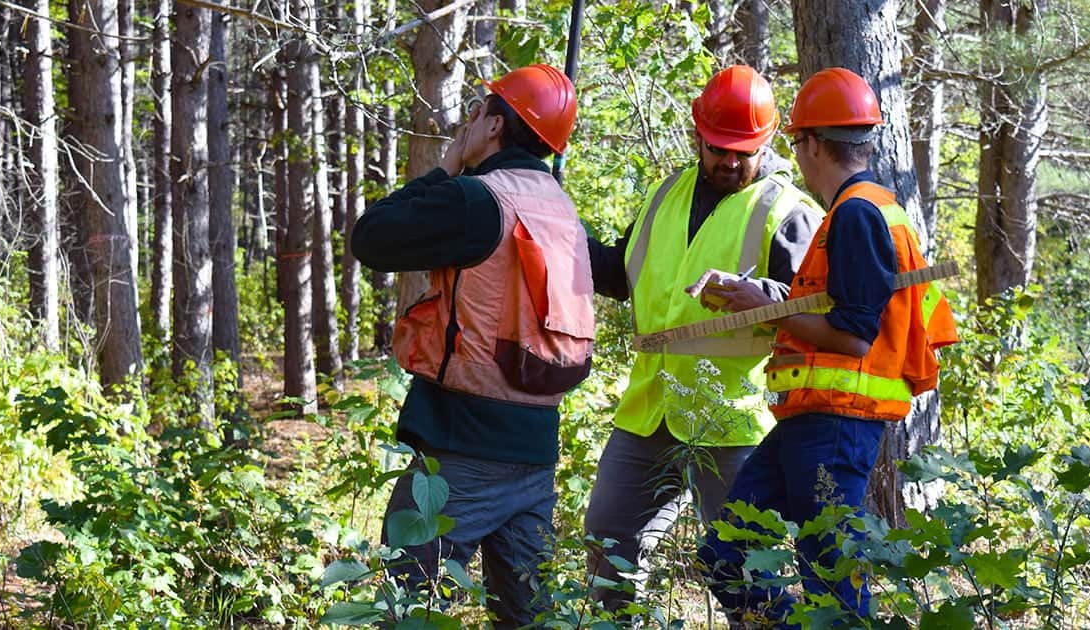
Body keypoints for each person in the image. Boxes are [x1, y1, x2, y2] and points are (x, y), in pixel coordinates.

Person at [696, 67, 959, 626]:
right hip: (809, 421)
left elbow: (853, 335)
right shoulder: (858, 211)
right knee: (725, 554)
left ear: (812, 143)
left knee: (832, 576)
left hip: (838, 427)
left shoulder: (858, 214)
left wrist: (763, 309)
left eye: (797, 142)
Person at [350, 64, 595, 627]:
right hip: (536, 451)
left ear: (493, 127)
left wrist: (444, 167)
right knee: (527, 616)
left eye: (480, 112)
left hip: (462, 446)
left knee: (404, 605)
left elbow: (372, 237)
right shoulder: (561, 209)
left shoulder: (479, 200)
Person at [583, 65, 823, 611]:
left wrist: (757, 293)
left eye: (744, 151)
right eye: (719, 148)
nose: (730, 162)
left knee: (742, 566)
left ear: (767, 142)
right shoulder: (667, 192)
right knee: (606, 537)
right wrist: (561, 231)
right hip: (651, 408)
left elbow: (817, 311)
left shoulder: (788, 213)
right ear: (698, 135)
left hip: (736, 422)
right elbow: (623, 275)